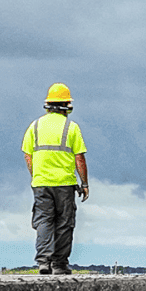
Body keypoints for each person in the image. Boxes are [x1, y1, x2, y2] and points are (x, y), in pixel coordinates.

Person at [22, 83, 90, 275]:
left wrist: (36, 175)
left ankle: (44, 262)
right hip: (65, 184)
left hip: (41, 184)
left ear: (48, 105)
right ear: (67, 106)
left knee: (44, 220)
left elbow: (28, 155)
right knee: (64, 223)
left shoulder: (34, 126)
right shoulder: (71, 128)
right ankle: (59, 265)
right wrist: (84, 183)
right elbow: (79, 158)